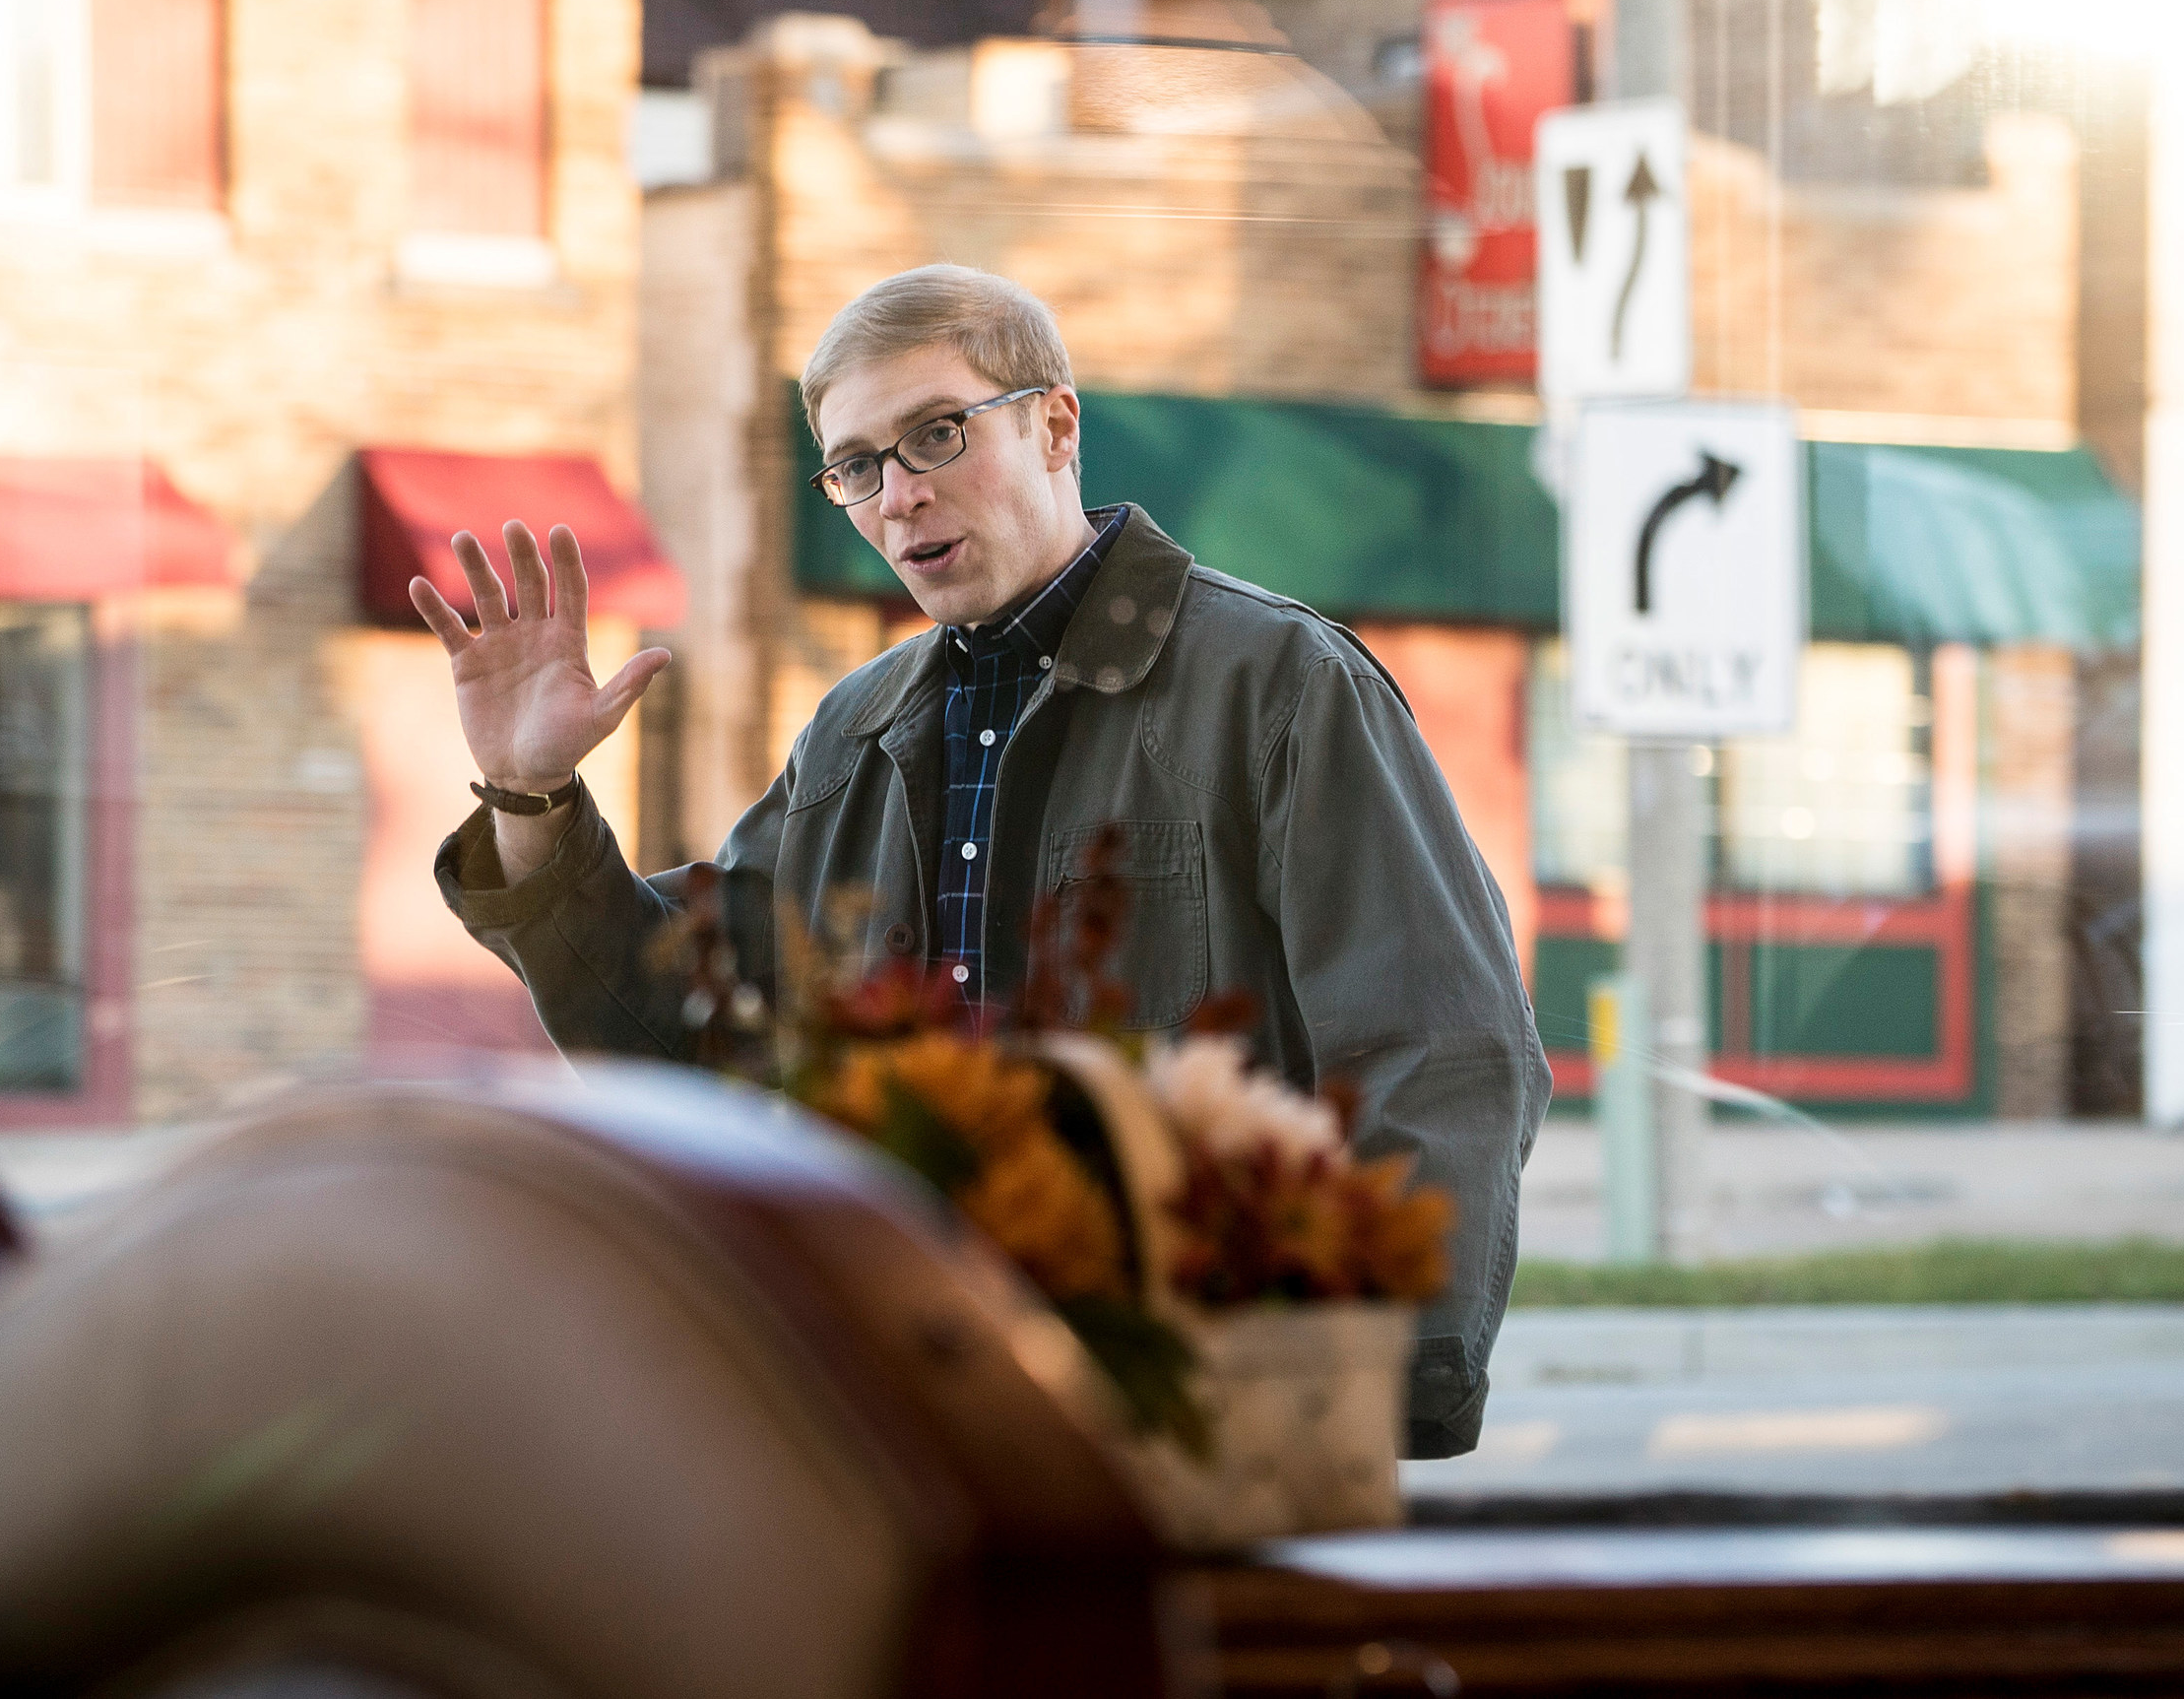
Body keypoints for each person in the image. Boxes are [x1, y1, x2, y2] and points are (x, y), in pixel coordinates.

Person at [421, 264, 1547, 1455]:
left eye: (937, 435)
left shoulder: (1280, 686)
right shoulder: (855, 732)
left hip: (1193, 1411)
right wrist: (531, 793)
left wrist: (1359, 1390)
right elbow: (687, 1031)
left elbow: (1439, 1051)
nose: (898, 496)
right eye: (858, 465)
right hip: (906, 1411)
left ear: (1056, 424)